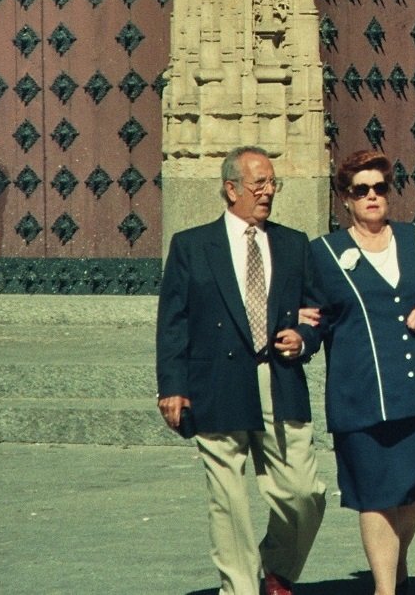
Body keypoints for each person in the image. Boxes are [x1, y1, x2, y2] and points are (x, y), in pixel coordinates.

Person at [155, 146, 328, 595]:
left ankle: (276, 567)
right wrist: (172, 387)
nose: (268, 192)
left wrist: (303, 339)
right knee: (228, 501)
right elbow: (173, 322)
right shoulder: (192, 246)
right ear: (230, 189)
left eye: (273, 183)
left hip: (278, 381)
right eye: (259, 184)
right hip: (215, 382)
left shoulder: (293, 244)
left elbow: (315, 312)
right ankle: (240, 589)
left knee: (304, 493)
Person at [306, 150, 415, 595]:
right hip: (360, 395)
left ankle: (398, 560)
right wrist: (299, 340)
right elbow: (315, 317)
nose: (373, 197)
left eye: (380, 188)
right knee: (375, 494)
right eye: (362, 190)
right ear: (345, 200)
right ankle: (385, 587)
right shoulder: (325, 253)